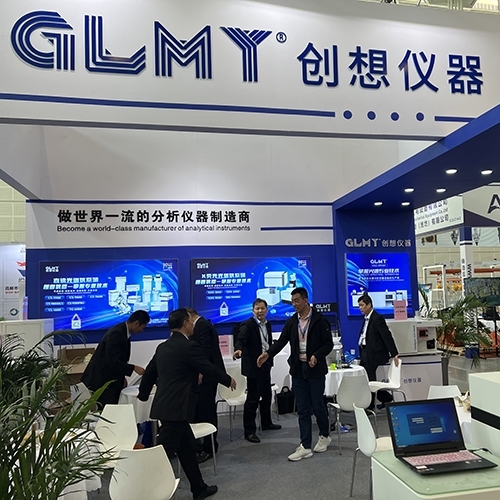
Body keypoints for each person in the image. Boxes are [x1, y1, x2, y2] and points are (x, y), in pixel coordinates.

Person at [138, 308, 236, 500]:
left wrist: (143, 394)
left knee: (187, 449)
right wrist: (227, 379)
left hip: (170, 407)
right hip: (177, 409)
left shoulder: (162, 347)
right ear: (184, 324)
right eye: (191, 321)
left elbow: (150, 372)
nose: (193, 325)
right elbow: (206, 367)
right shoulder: (189, 346)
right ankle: (142, 492)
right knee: (161, 455)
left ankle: (199, 489)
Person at [257, 287, 333, 461]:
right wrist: (268, 354)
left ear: (305, 300)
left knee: (318, 406)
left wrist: (317, 355)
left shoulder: (320, 320)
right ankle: (305, 445)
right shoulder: (292, 321)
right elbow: (281, 341)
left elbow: (328, 344)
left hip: (315, 370)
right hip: (298, 370)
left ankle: (324, 435)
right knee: (303, 409)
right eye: (292, 301)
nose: (294, 304)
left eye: (297, 301)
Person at [233, 298, 282, 444]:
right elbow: (240, 339)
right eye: (257, 309)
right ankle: (249, 431)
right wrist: (238, 349)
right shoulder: (248, 324)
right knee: (253, 400)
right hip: (254, 367)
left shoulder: (268, 324)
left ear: (266, 309)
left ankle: (266, 423)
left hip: (266, 364)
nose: (260, 311)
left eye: (262, 308)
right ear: (253, 310)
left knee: (266, 395)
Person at [81, 309, 150, 407]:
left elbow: (119, 358)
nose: (142, 331)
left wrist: (122, 377)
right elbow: (112, 361)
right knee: (107, 409)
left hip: (110, 380)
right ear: (136, 323)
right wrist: (134, 368)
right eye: (142, 327)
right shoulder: (116, 334)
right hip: (103, 381)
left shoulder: (123, 332)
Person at [186, 307, 226, 463]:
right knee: (198, 411)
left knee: (207, 411)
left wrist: (201, 370)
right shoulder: (202, 325)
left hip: (207, 376)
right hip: (202, 375)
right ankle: (199, 444)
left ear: (190, 317)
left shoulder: (202, 325)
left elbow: (205, 350)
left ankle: (209, 447)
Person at [357, 293, 400, 410]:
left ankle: (370, 406)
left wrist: (394, 353)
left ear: (369, 305)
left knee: (370, 380)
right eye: (359, 305)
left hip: (374, 355)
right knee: (365, 378)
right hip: (365, 352)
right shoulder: (366, 319)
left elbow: (386, 336)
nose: (360, 308)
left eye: (362, 305)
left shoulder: (377, 319)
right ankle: (385, 397)